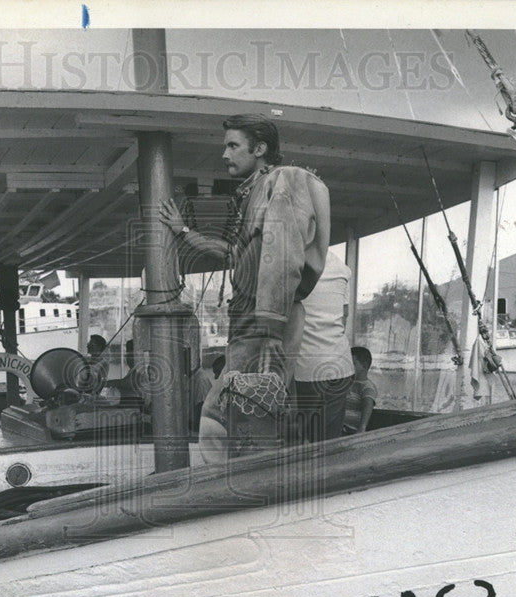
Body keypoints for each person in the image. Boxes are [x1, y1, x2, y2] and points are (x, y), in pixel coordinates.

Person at [159, 114, 331, 460]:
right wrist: (182, 231)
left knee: (225, 416)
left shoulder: (282, 181)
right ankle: (251, 489)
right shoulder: (255, 191)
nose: (224, 154)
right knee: (245, 415)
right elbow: (234, 254)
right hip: (250, 322)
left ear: (260, 149)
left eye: (233, 146)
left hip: (264, 324)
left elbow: (282, 255)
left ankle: (239, 496)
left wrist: (269, 331)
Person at [293, 250, 354, 443]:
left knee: (296, 441)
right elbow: (344, 315)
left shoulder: (293, 264)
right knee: (328, 442)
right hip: (341, 365)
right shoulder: (341, 268)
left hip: (306, 368)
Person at [342, 346, 378, 435]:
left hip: (349, 429)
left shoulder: (367, 387)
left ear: (364, 366)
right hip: (338, 424)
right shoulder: (346, 383)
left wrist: (361, 428)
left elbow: (367, 405)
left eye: (353, 364)